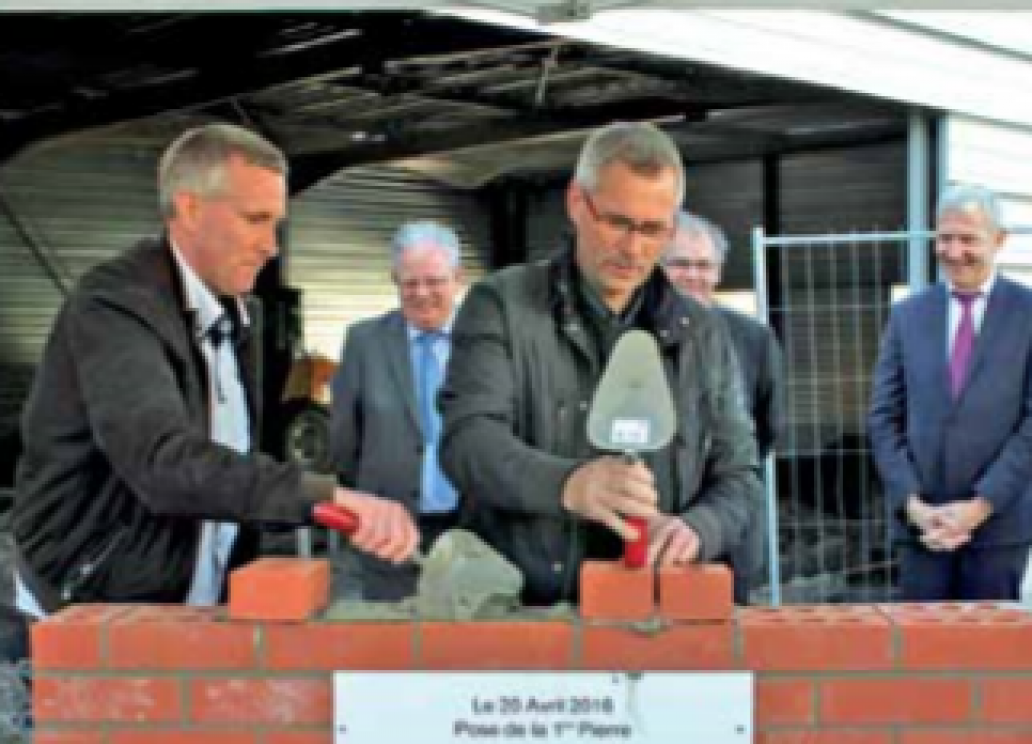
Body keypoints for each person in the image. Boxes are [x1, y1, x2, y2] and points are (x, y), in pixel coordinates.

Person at [11, 123, 418, 627]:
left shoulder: (238, 316)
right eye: (256, 220)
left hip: (191, 603)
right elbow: (162, 461)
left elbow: (231, 459)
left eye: (277, 224)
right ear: (189, 208)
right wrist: (323, 495)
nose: (271, 246)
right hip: (90, 609)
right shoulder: (115, 307)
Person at [440, 121, 760, 605]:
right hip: (527, 613)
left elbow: (740, 474)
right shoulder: (501, 304)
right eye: (617, 222)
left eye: (653, 230)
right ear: (576, 202)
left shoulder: (704, 333)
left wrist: (700, 528)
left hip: (657, 611)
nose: (634, 249)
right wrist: (567, 484)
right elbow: (468, 443)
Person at [868, 183, 1032, 601]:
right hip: (922, 530)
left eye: (967, 239)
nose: (953, 251)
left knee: (988, 659)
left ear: (998, 241)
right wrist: (914, 506)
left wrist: (979, 507)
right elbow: (883, 417)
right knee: (921, 656)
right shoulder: (908, 315)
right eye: (944, 238)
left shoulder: (1027, 313)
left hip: (999, 528)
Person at [330, 222, 464, 599]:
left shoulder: (486, 341)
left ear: (457, 278)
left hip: (474, 528)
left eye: (434, 281)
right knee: (389, 647)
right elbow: (344, 440)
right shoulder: (364, 342)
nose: (421, 293)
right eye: (409, 283)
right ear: (395, 280)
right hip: (389, 533)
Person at [663, 210, 783, 603]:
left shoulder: (754, 339)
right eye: (680, 264)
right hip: (656, 529)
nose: (694, 275)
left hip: (729, 528)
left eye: (705, 266)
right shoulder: (632, 338)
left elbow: (766, 427)